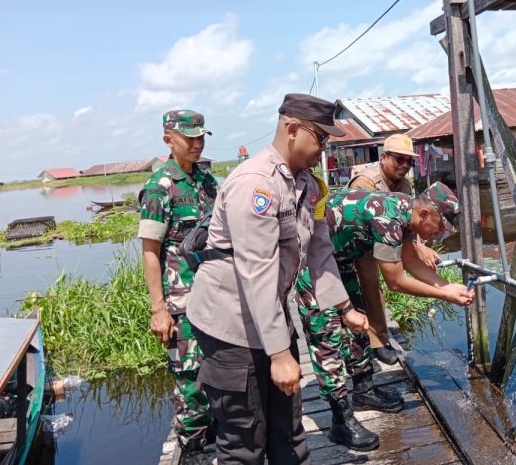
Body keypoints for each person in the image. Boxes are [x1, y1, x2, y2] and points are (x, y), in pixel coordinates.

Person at [186, 94, 369, 465]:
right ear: (293, 129)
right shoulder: (256, 184)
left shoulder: (307, 185)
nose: (324, 147)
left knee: (288, 430)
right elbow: (257, 271)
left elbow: (319, 251)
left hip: (270, 317)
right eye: (320, 137)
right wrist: (281, 354)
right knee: (244, 440)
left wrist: (344, 307)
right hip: (230, 325)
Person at [295, 182, 475, 452]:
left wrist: (448, 287)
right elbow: (396, 281)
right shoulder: (388, 219)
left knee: (360, 324)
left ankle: (364, 391)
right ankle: (340, 421)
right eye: (440, 226)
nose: (439, 233)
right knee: (327, 339)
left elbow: (411, 262)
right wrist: (445, 295)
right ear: (424, 214)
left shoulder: (405, 212)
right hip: (313, 267)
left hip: (339, 262)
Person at [138, 109, 219, 455]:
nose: (197, 144)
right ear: (169, 140)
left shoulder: (208, 182)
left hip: (214, 295)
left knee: (218, 366)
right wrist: (159, 310)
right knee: (190, 377)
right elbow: (150, 252)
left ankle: (216, 433)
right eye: (190, 138)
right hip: (181, 300)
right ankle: (194, 445)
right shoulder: (159, 188)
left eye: (201, 137)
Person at [347, 133, 442, 365]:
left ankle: (377, 337)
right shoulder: (365, 183)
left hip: (383, 239)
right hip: (356, 242)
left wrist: (419, 246)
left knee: (389, 275)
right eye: (399, 159)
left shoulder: (405, 185)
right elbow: (362, 225)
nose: (405, 165)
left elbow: (408, 222)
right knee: (370, 282)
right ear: (384, 158)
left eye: (409, 161)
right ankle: (375, 342)